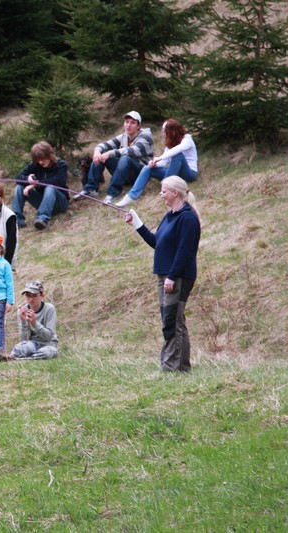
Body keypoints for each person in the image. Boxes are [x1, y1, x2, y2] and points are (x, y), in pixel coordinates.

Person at [125, 176, 201, 372]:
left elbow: (185, 252)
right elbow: (155, 242)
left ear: (175, 193)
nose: (161, 194)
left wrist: (172, 277)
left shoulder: (188, 218)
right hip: (164, 275)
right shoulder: (170, 216)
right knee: (173, 320)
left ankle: (170, 367)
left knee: (171, 321)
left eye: (163, 191)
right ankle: (181, 367)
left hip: (178, 276)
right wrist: (137, 222)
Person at [75, 111, 154, 204]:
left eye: (132, 123)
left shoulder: (146, 137)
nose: (128, 125)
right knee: (103, 153)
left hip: (139, 174)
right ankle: (91, 189)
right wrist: (97, 151)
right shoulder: (124, 136)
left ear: (139, 126)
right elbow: (105, 144)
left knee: (125, 157)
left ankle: (113, 193)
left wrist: (109, 153)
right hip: (125, 173)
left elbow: (132, 151)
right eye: (127, 122)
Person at [116, 118, 199, 207]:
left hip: (189, 173)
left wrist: (160, 157)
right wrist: (154, 164)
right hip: (175, 175)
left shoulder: (187, 139)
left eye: (165, 131)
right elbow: (164, 162)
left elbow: (178, 149)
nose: (163, 134)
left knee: (177, 155)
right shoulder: (171, 143)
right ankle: (131, 196)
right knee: (148, 168)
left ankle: (166, 188)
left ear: (172, 132)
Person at [12, 141, 70, 230]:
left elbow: (58, 182)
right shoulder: (35, 165)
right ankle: (17, 221)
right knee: (19, 187)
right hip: (43, 202)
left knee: (50, 187)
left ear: (49, 154)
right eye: (38, 160)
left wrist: (34, 185)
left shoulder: (61, 165)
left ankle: (42, 219)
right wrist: (28, 179)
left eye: (42, 158)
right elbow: (18, 178)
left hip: (60, 203)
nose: (40, 162)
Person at [5, 280, 59, 360]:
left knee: (46, 353)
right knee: (20, 348)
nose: (31, 299)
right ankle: (21, 356)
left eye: (34, 296)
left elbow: (48, 337)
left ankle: (22, 359)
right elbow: (23, 340)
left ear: (42, 296)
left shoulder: (49, 309)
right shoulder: (23, 310)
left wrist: (34, 323)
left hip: (48, 344)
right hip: (32, 344)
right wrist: (23, 322)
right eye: (28, 295)